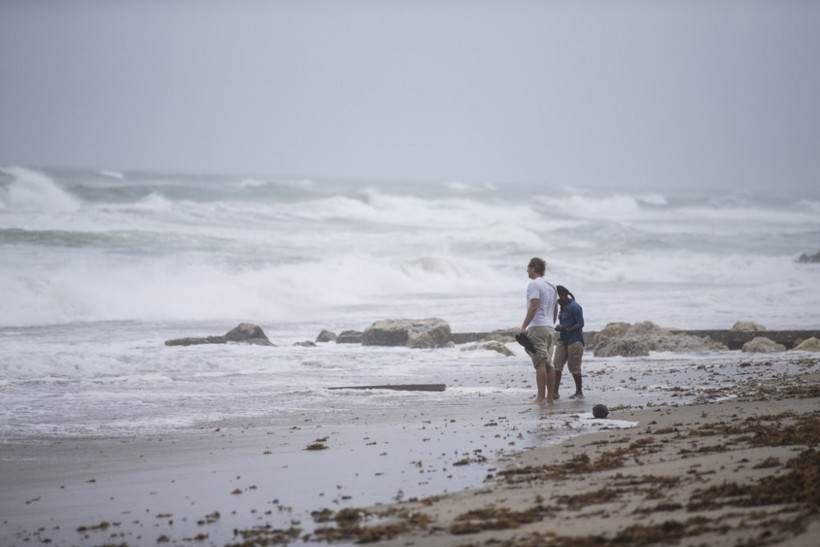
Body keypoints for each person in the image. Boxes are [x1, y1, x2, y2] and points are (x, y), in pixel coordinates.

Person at [520, 257, 558, 405]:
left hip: (538, 327)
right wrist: (551, 324)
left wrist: (524, 326)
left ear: (533, 268)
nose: (527, 271)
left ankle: (541, 398)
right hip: (549, 327)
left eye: (528, 268)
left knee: (540, 363)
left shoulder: (534, 284)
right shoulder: (552, 285)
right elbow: (555, 308)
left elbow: (534, 306)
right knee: (549, 364)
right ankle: (550, 398)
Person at [554, 285, 585, 400]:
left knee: (574, 366)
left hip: (575, 340)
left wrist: (566, 329)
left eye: (557, 298)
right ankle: (554, 392)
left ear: (563, 295)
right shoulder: (562, 307)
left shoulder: (575, 307)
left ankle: (579, 392)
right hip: (563, 339)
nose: (556, 301)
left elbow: (580, 324)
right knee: (556, 364)